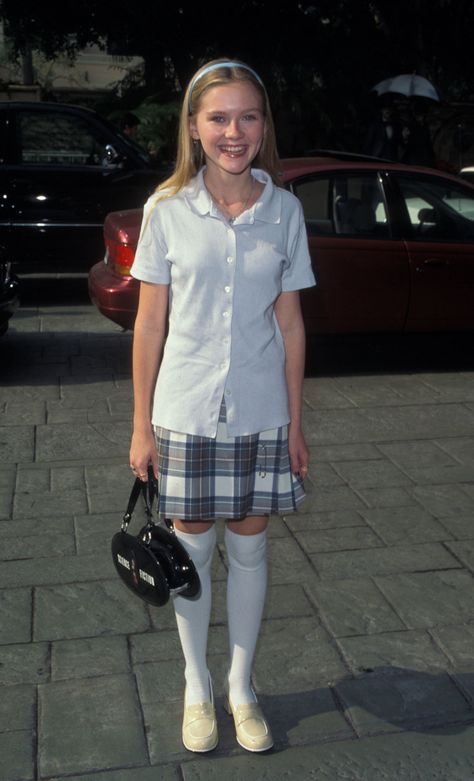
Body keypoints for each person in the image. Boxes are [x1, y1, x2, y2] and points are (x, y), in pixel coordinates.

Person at [128, 58, 316, 755]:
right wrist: (140, 426)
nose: (234, 131)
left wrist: (296, 423)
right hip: (185, 411)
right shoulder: (166, 210)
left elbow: (292, 324)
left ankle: (241, 686)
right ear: (194, 127)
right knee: (191, 554)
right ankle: (196, 686)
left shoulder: (286, 211)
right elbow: (149, 324)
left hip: (264, 410)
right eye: (218, 117)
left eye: (247, 116)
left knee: (251, 549)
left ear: (263, 125)